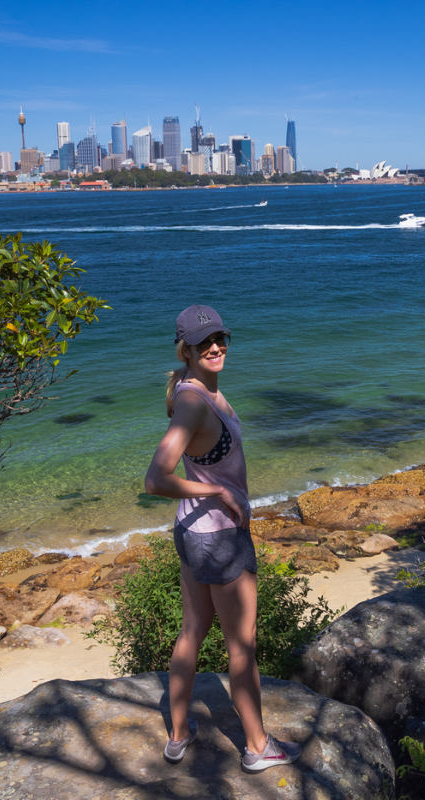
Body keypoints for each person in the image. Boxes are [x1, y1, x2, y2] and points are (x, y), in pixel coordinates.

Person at [144, 305, 302, 774]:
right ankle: (257, 747)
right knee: (241, 645)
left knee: (193, 631)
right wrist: (215, 489)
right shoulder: (193, 401)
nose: (215, 348)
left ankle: (178, 735)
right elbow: (156, 478)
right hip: (220, 538)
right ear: (186, 350)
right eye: (203, 343)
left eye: (220, 338)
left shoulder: (195, 389)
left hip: (191, 532)